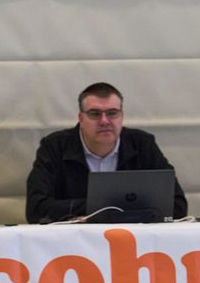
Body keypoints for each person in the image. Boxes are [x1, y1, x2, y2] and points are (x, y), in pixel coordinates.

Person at [25, 82, 187, 223]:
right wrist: (117, 208)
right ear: (81, 119)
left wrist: (91, 211)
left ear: (121, 117)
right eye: (95, 114)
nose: (104, 121)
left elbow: (177, 206)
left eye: (112, 113)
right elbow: (36, 209)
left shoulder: (142, 144)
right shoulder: (54, 147)